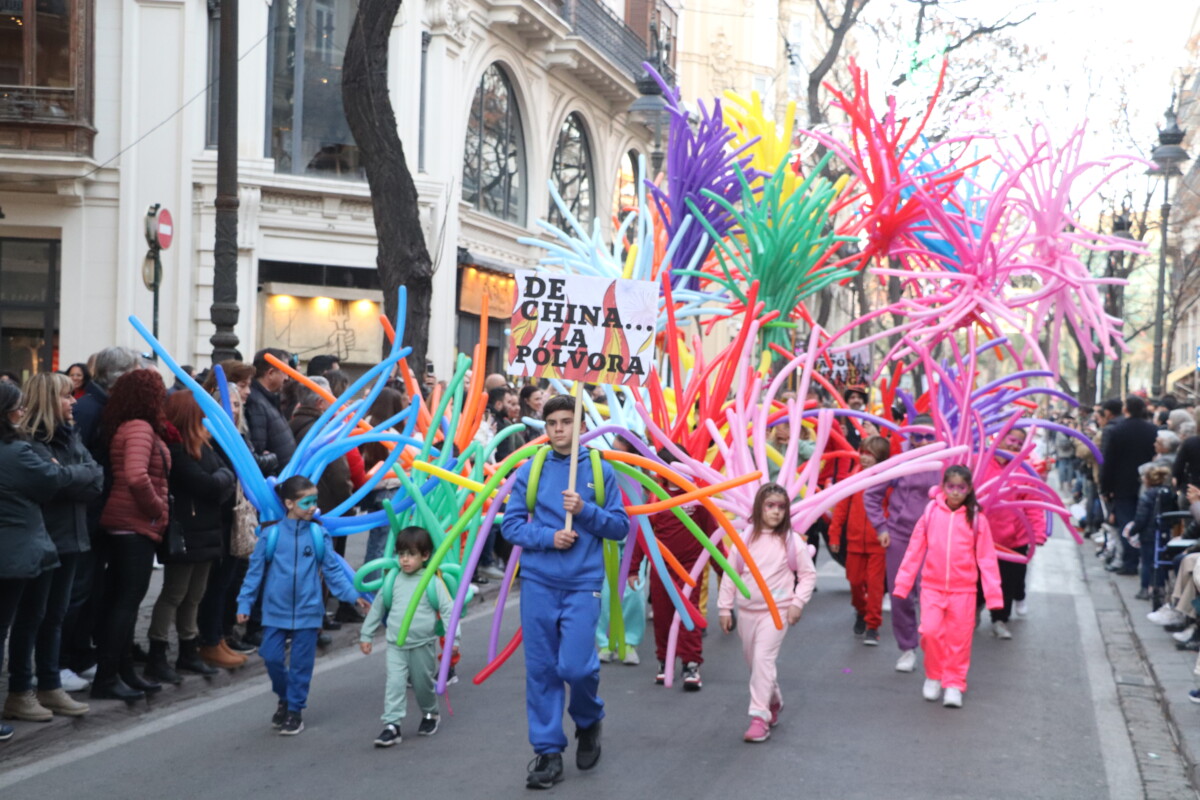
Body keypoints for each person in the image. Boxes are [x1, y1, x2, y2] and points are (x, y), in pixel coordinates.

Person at [500, 393, 629, 790]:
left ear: (581, 426)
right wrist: (547, 537)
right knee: (541, 671)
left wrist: (586, 509)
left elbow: (620, 527)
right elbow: (510, 526)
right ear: (545, 426)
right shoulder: (530, 469)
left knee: (576, 667)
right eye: (552, 422)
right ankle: (548, 751)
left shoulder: (599, 469)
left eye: (566, 422)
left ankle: (589, 721)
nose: (559, 429)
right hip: (539, 581)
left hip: (583, 583)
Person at [0, 380, 101, 733]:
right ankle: (22, 688)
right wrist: (74, 475)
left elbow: (95, 475)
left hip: (62, 538)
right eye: (64, 394)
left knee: (52, 615)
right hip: (41, 540)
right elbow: (53, 482)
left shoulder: (68, 435)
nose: (72, 401)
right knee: (30, 620)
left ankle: (47, 684)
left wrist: (72, 475)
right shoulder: (25, 446)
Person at [236, 476, 368, 736]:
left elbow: (333, 571)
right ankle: (285, 697)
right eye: (306, 502)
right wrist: (245, 602)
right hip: (275, 611)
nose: (313, 507)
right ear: (288, 504)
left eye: (315, 501)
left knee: (300, 665)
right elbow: (254, 573)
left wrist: (353, 596)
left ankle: (294, 710)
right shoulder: (270, 535)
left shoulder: (319, 534)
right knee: (271, 656)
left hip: (309, 612)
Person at [60, 347, 144, 688]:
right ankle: (58, 663)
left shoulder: (105, 407)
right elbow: (77, 463)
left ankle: (80, 655)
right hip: (86, 516)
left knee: (91, 591)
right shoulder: (91, 409)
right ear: (120, 376)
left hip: (98, 515)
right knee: (76, 592)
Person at [91, 369, 173, 703]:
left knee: (122, 603)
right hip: (133, 525)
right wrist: (157, 510)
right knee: (124, 605)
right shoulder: (139, 428)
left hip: (128, 523)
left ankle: (123, 673)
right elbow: (137, 477)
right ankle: (107, 677)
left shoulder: (130, 426)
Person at [144, 392, 237, 684]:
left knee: (195, 594)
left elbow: (224, 474)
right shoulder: (177, 451)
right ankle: (157, 653)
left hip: (206, 530)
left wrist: (222, 480)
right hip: (187, 531)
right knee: (175, 593)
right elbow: (211, 483)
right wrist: (223, 481)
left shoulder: (203, 446)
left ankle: (189, 647)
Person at [893, 465, 1003, 709]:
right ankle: (934, 675)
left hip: (964, 590)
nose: (955, 492)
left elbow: (987, 558)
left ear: (969, 489)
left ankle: (954, 683)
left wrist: (994, 597)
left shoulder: (976, 519)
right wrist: (902, 585)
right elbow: (914, 550)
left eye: (960, 488)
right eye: (950, 487)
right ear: (943, 487)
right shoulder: (931, 513)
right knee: (930, 632)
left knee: (959, 639)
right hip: (931, 587)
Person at [717, 483, 817, 742]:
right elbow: (731, 575)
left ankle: (759, 718)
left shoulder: (791, 541)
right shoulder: (744, 540)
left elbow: (807, 575)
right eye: (770, 506)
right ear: (759, 508)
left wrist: (797, 603)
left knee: (762, 660)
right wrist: (724, 607)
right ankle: (773, 699)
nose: (776, 512)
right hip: (747, 612)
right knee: (755, 664)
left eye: (781, 507)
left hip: (777, 613)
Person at [359, 526, 459, 747]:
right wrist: (366, 634)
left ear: (425, 556)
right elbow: (377, 608)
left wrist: (454, 640)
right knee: (394, 683)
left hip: (423, 645)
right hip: (396, 644)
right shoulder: (393, 580)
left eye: (411, 554)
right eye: (401, 554)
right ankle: (392, 725)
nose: (404, 560)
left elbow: (449, 611)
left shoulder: (432, 581)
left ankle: (431, 713)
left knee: (423, 686)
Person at [628, 446, 716, 685]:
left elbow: (714, 534)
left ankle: (691, 664)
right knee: (663, 617)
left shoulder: (696, 496)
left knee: (688, 613)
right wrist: (633, 568)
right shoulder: (655, 496)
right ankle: (664, 660)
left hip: (690, 570)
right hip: (660, 569)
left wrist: (724, 570)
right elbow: (642, 535)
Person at [864, 416, 941, 673]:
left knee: (933, 595)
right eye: (917, 436)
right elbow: (872, 494)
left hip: (936, 538)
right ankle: (907, 648)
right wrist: (881, 528)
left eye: (928, 436)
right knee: (901, 595)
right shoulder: (901, 461)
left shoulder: (946, 462)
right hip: (900, 537)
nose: (922, 442)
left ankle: (937, 647)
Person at [981, 428, 1047, 639]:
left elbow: (1034, 506)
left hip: (1014, 540)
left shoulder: (1023, 472)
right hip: (981, 538)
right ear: (998, 439)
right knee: (975, 580)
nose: (1014, 446)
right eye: (1011, 440)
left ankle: (1000, 620)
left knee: (1007, 583)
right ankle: (971, 613)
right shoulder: (978, 463)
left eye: (1019, 443)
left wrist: (1038, 534)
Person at [828, 435, 890, 645]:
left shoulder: (887, 481)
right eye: (862, 452)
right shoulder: (852, 480)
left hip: (877, 544)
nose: (864, 457)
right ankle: (861, 611)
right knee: (854, 582)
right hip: (854, 542)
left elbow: (892, 509)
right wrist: (834, 535)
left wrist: (889, 532)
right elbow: (841, 511)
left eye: (870, 454)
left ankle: (873, 626)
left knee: (874, 587)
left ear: (880, 457)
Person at [1102, 395, 1158, 576]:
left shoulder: (1118, 430)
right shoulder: (1152, 430)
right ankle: (1140, 560)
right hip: (1147, 483)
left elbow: (1109, 461)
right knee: (1143, 521)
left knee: (1126, 523)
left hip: (1121, 484)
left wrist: (1106, 487)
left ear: (1126, 409)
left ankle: (1130, 561)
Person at [245, 348, 296, 470]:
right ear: (271, 373)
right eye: (285, 371)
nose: (287, 378)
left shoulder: (268, 400)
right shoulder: (256, 403)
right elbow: (259, 450)